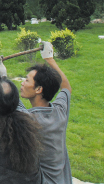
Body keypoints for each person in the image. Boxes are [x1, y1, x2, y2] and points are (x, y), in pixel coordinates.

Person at [19, 41, 72, 184]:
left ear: (38, 89)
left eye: (27, 80)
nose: (22, 83)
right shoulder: (60, 111)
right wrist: (49, 59)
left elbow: (9, 99)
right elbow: (66, 87)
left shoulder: (29, 119)